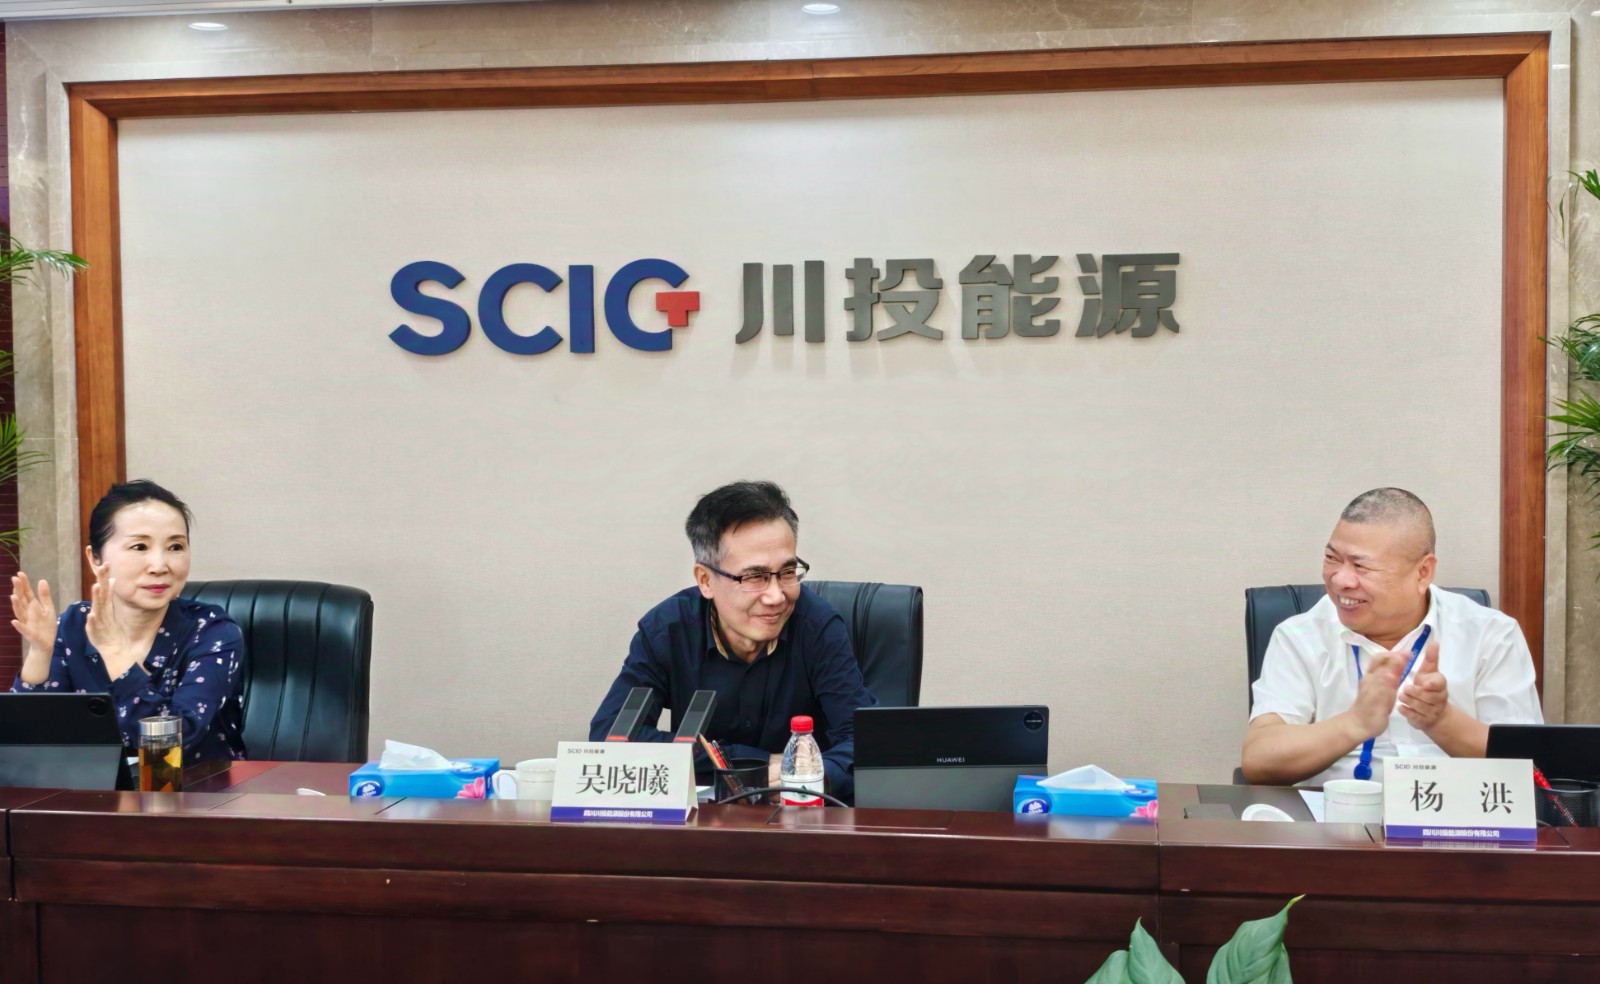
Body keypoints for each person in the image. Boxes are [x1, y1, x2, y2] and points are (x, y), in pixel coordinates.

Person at [589, 480, 877, 802]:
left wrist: (799, 778)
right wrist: (751, 763)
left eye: (787, 572)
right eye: (754, 576)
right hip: (706, 819)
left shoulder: (818, 627)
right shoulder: (667, 630)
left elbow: (864, 745)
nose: (776, 596)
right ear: (705, 580)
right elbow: (610, 738)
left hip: (800, 812)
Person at [1242, 488, 1542, 786]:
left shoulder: (1490, 634)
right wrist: (1355, 723)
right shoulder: (1300, 636)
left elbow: (1528, 767)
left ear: (1423, 572)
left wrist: (1442, 721)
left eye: (1361, 566)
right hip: (1336, 811)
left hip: (1457, 808)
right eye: (1332, 558)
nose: (1340, 580)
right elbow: (1258, 760)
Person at [9, 480, 246, 763]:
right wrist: (40, 653)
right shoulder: (73, 624)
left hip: (195, 787)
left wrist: (113, 650)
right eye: (139, 546)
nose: (159, 566)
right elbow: (27, 742)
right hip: (95, 787)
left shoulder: (212, 631)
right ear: (95, 559)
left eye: (175, 547)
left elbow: (170, 746)